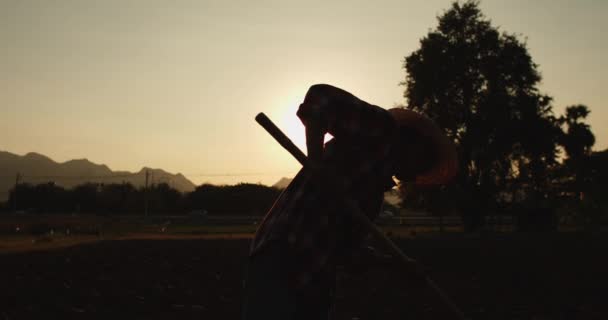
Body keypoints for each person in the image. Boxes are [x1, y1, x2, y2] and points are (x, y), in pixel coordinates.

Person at [242, 84, 457, 320]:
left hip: (316, 277)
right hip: (284, 251)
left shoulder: (374, 194)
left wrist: (394, 264)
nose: (419, 174)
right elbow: (321, 96)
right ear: (414, 143)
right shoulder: (382, 130)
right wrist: (316, 161)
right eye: (424, 162)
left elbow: (348, 253)